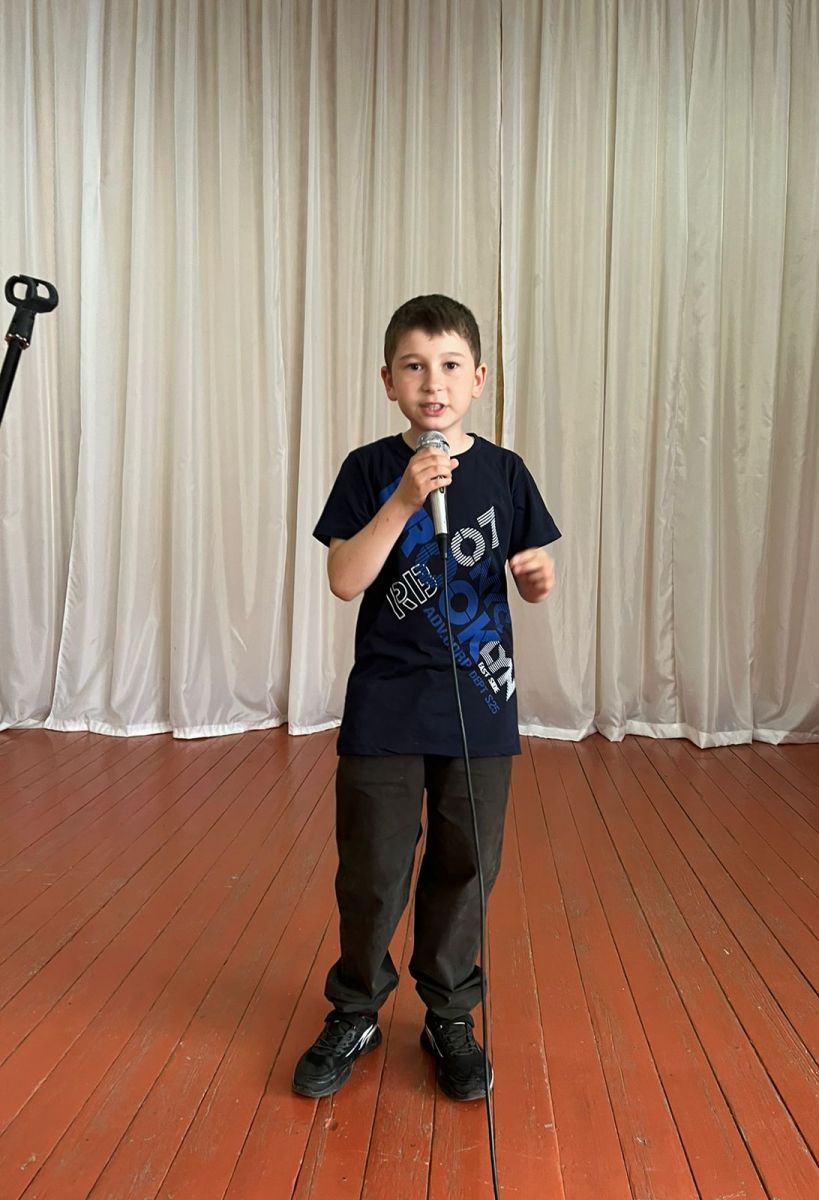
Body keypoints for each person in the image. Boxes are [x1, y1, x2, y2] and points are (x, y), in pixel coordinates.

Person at [292, 294, 560, 1103]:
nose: (432, 383)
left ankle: (448, 1014)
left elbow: (532, 568)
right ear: (388, 381)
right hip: (387, 702)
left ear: (478, 379)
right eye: (414, 366)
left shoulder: (505, 473)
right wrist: (404, 500)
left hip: (480, 703)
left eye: (449, 366)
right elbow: (345, 580)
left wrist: (536, 579)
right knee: (373, 868)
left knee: (465, 864)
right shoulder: (369, 469)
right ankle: (357, 1008)